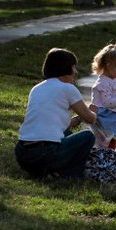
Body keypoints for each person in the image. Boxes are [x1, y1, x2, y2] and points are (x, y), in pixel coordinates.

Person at [14, 48, 97, 178]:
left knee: (67, 133)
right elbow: (90, 119)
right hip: (45, 153)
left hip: (23, 154)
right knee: (87, 137)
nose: (76, 72)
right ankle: (71, 175)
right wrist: (93, 111)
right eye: (74, 67)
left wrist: (77, 119)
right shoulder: (68, 88)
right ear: (65, 68)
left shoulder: (37, 88)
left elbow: (52, 123)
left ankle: (46, 172)